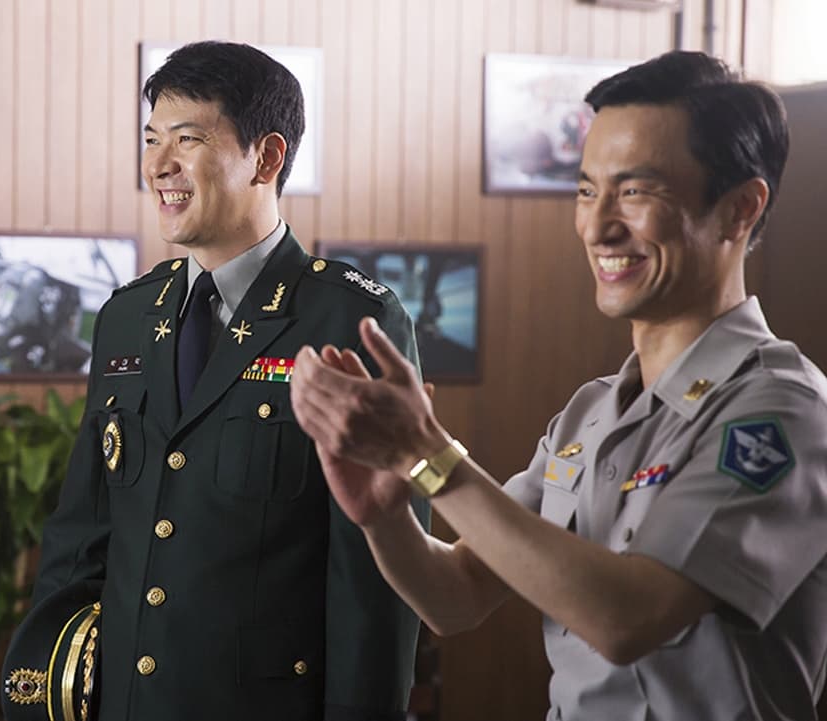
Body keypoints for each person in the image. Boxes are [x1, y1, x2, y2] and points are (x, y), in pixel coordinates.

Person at [290, 50, 827, 720]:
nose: (598, 226)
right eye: (586, 190)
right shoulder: (589, 413)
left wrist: (428, 456)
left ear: (740, 209)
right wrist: (386, 513)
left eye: (636, 191)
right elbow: (456, 595)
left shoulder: (783, 409)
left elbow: (628, 619)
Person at [0, 41, 428, 721]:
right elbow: (82, 535)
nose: (157, 165)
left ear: (266, 157)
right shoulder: (128, 316)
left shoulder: (349, 319)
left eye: (188, 139)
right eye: (151, 140)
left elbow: (376, 577)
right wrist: (42, 694)